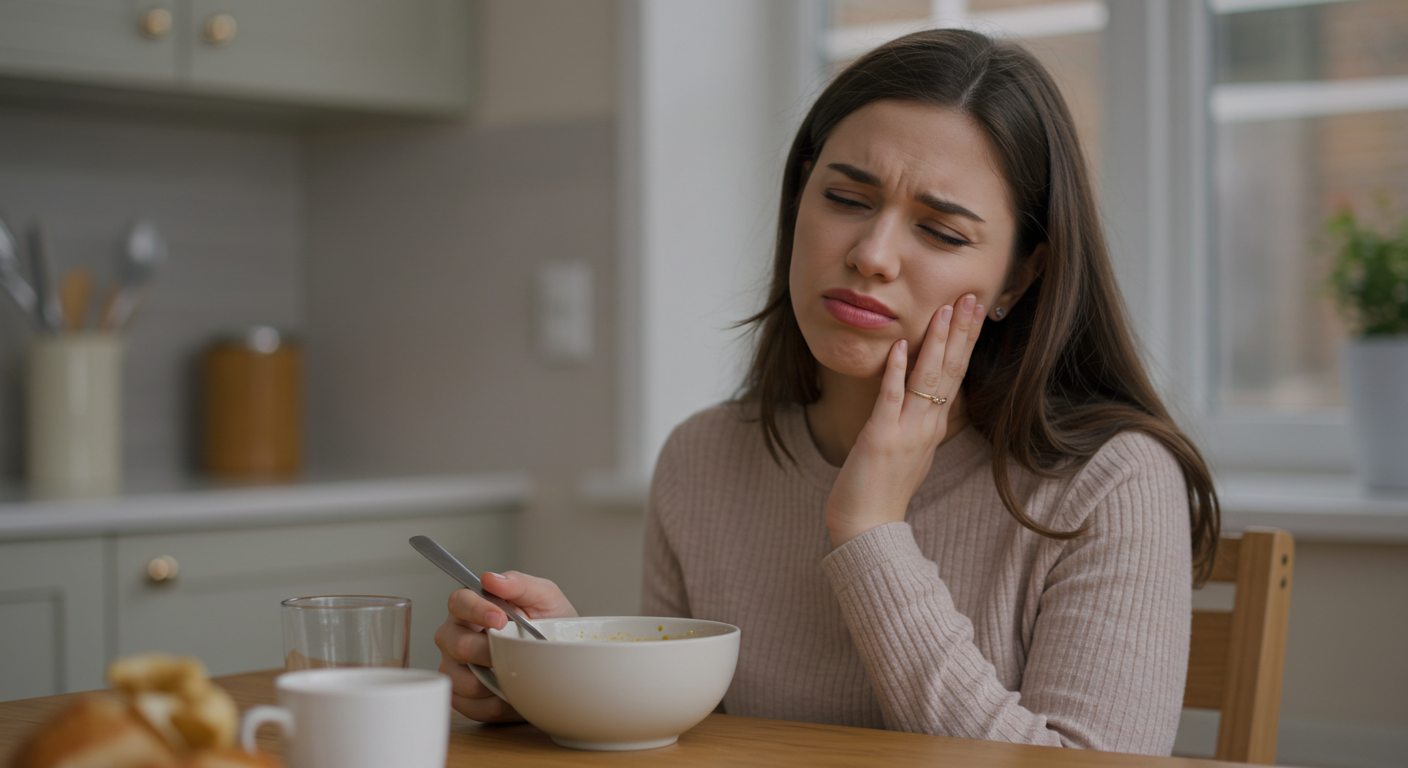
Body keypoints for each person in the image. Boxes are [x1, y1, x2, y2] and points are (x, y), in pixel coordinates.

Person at [435, 28, 1219, 756]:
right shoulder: (705, 457)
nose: (872, 255)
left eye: (941, 232)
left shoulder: (1113, 482)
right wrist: (564, 678)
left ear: (1020, 275)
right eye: (846, 199)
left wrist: (872, 530)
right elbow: (699, 746)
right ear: (799, 198)